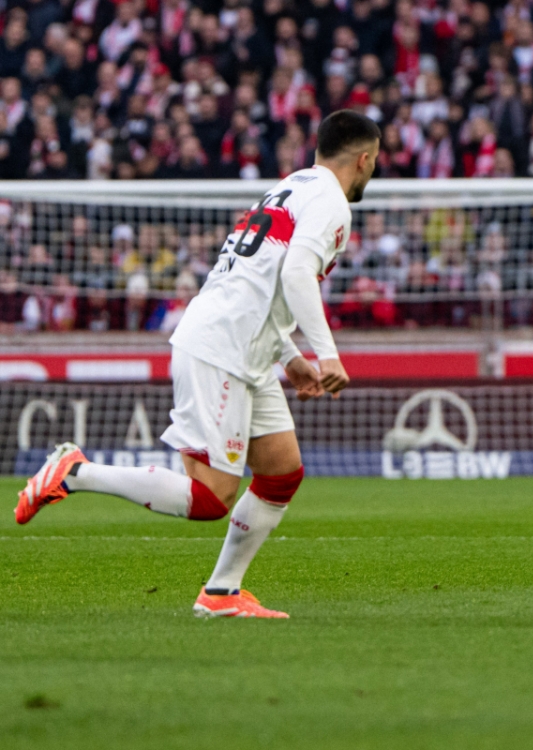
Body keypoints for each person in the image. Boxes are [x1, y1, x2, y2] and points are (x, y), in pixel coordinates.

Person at [14, 111, 381, 619]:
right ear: (363, 159)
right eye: (374, 162)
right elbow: (296, 273)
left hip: (242, 345)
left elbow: (253, 282)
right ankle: (76, 472)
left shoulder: (290, 187)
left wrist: (290, 356)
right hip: (221, 348)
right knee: (210, 498)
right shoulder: (332, 202)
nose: (372, 171)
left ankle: (221, 593)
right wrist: (327, 353)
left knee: (281, 473)